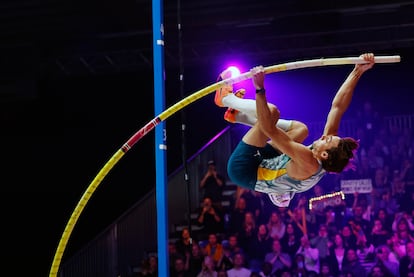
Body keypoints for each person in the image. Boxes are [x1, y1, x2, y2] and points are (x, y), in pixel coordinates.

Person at [214, 53, 375, 207]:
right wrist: (357, 71)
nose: (325, 137)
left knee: (271, 113)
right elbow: (337, 107)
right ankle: (238, 116)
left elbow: (269, 128)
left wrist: (259, 88)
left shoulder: (308, 162)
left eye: (327, 140)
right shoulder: (325, 153)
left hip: (245, 169)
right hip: (270, 161)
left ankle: (225, 99)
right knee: (301, 129)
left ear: (324, 154)